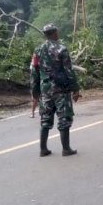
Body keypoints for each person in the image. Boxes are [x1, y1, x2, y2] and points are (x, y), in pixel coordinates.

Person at [32, 23, 81, 157]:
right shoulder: (61, 49)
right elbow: (68, 71)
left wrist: (35, 92)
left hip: (45, 89)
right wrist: (75, 89)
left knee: (45, 119)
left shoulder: (38, 50)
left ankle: (43, 149)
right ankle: (66, 149)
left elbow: (34, 71)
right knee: (64, 117)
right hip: (60, 89)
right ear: (55, 33)